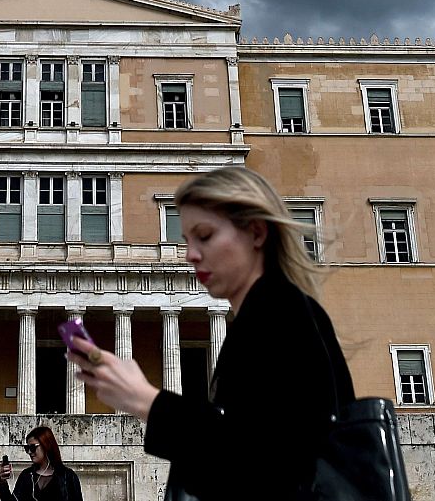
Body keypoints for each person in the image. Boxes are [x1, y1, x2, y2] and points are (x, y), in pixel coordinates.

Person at [65, 166, 352, 501]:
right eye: (186, 240)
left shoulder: (278, 311)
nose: (190, 255)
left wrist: (146, 401)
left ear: (256, 233)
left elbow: (270, 463)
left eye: (204, 236)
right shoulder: (266, 312)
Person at [0, 424, 84, 501]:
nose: (29, 452)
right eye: (27, 448)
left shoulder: (68, 477)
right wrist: (3, 482)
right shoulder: (27, 475)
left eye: (32, 447)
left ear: (46, 445)